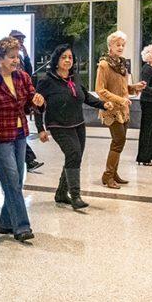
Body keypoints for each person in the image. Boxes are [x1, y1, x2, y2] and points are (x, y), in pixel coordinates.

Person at [0, 36, 44, 242]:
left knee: (16, 181)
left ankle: (5, 223)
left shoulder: (22, 77)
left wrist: (38, 101)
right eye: (11, 57)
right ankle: (21, 227)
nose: (16, 60)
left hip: (20, 135)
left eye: (17, 56)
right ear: (0, 58)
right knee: (12, 181)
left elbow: (31, 100)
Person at [35, 45, 113, 209]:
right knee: (73, 152)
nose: (67, 60)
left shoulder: (75, 78)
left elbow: (86, 97)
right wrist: (40, 129)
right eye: (64, 57)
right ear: (56, 60)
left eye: (70, 57)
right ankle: (75, 195)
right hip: (57, 125)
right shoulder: (46, 81)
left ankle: (61, 193)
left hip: (78, 124)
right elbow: (37, 105)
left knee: (74, 157)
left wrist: (103, 104)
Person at [0, 30, 43, 172]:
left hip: (19, 106)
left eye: (23, 41)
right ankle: (29, 160)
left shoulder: (20, 62)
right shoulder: (0, 60)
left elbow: (29, 72)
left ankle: (29, 160)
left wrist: (27, 55)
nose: (22, 43)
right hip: (2, 118)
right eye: (20, 40)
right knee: (11, 175)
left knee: (16, 174)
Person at [95, 31, 146, 189]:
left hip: (124, 109)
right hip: (111, 109)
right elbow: (100, 90)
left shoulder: (123, 64)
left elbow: (122, 88)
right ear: (110, 45)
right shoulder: (104, 65)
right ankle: (108, 175)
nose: (121, 47)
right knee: (118, 141)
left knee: (119, 142)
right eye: (118, 44)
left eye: (123, 45)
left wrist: (134, 87)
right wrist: (120, 99)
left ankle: (113, 173)